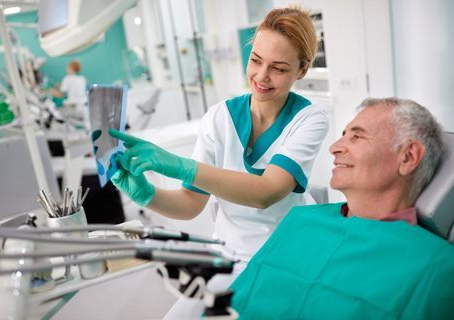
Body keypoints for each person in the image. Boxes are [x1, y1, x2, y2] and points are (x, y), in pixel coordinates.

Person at [109, 5, 328, 273]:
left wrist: (179, 166)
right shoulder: (220, 117)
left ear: (302, 70)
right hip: (231, 257)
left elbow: (267, 192)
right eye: (256, 60)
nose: (261, 76)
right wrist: (146, 195)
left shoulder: (308, 119)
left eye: (279, 69)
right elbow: (190, 203)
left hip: (290, 257)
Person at [230, 97, 454, 319]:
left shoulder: (436, 266)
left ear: (407, 157)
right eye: (343, 135)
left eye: (357, 136)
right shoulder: (301, 220)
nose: (334, 147)